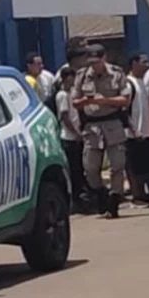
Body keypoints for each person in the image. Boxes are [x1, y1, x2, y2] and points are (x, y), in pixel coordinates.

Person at [72, 44, 131, 218]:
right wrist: (86, 100)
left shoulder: (117, 73)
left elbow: (125, 99)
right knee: (90, 168)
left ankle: (114, 200)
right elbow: (74, 102)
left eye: (97, 61)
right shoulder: (82, 75)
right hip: (92, 126)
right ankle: (101, 194)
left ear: (104, 58)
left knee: (117, 165)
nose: (94, 65)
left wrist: (105, 101)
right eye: (91, 62)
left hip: (112, 122)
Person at [55, 67, 89, 213]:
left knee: (79, 170)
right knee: (74, 171)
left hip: (75, 136)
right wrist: (76, 133)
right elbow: (64, 116)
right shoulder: (62, 95)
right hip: (68, 137)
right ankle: (74, 201)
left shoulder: (72, 94)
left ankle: (80, 199)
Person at [126, 53, 149, 204]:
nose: (147, 65)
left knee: (145, 164)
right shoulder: (128, 83)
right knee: (134, 166)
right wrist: (133, 129)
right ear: (134, 63)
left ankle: (146, 193)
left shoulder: (141, 82)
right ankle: (137, 195)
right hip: (132, 134)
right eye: (144, 62)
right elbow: (124, 110)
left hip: (144, 133)